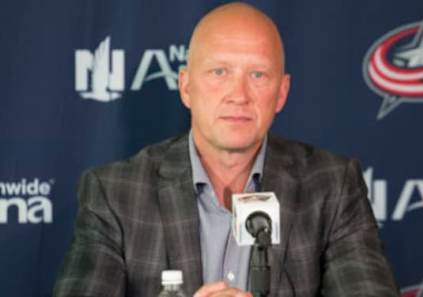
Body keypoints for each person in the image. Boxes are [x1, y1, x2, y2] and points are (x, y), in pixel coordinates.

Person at [54, 2, 399, 297]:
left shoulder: (332, 186)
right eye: (219, 72)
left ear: (282, 92)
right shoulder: (115, 193)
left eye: (259, 75)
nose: (239, 94)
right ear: (186, 87)